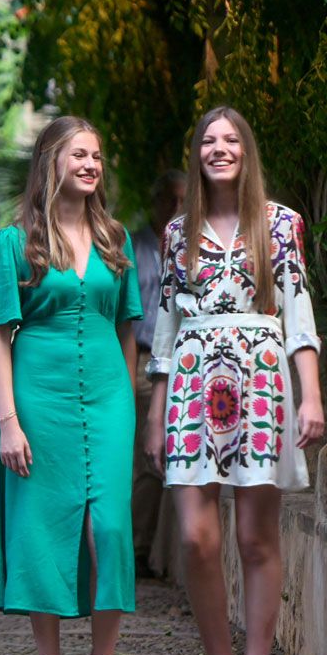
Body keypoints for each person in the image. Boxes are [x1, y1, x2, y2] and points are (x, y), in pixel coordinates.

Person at [144, 107, 324, 655]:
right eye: (208, 142)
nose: (219, 150)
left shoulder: (280, 225)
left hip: (262, 381)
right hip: (194, 384)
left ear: (246, 152)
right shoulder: (176, 233)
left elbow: (298, 313)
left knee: (254, 537)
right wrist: (156, 407)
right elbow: (164, 324)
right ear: (197, 155)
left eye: (232, 140)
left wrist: (311, 396)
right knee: (195, 536)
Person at [0, 116, 141, 655]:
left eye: (98, 156)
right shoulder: (12, 242)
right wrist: (8, 421)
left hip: (106, 401)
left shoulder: (113, 237)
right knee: (42, 535)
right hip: (37, 401)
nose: (91, 164)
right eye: (80, 154)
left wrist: (127, 408)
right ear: (52, 160)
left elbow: (128, 330)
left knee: (111, 532)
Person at [130, 170, 187, 578]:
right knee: (146, 458)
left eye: (185, 200)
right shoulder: (135, 248)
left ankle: (164, 554)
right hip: (142, 359)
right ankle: (137, 549)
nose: (177, 209)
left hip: (186, 363)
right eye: (172, 199)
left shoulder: (189, 245)